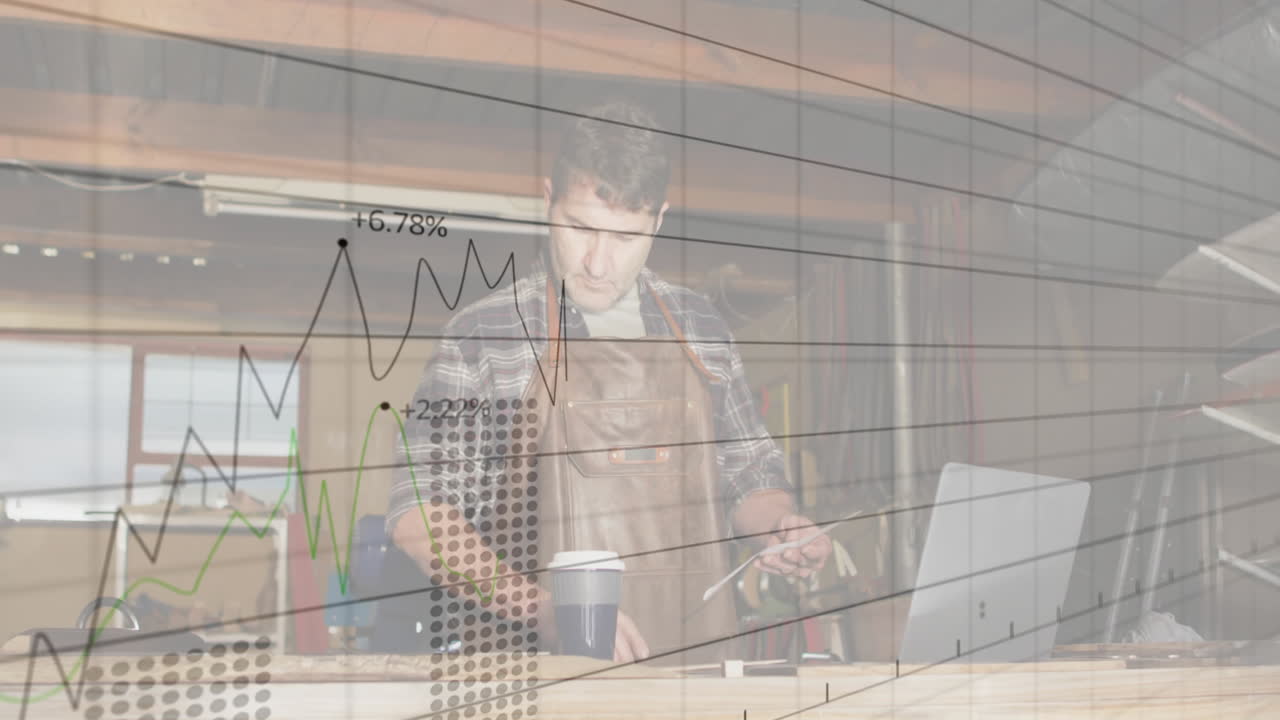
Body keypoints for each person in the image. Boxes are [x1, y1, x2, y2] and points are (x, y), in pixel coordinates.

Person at [386, 99, 831, 664]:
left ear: (660, 220)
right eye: (579, 228)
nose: (598, 262)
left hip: (694, 675)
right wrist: (545, 610)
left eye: (626, 237)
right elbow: (420, 519)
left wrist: (779, 529)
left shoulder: (700, 327)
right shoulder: (483, 335)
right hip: (535, 676)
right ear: (546, 200)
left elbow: (750, 477)